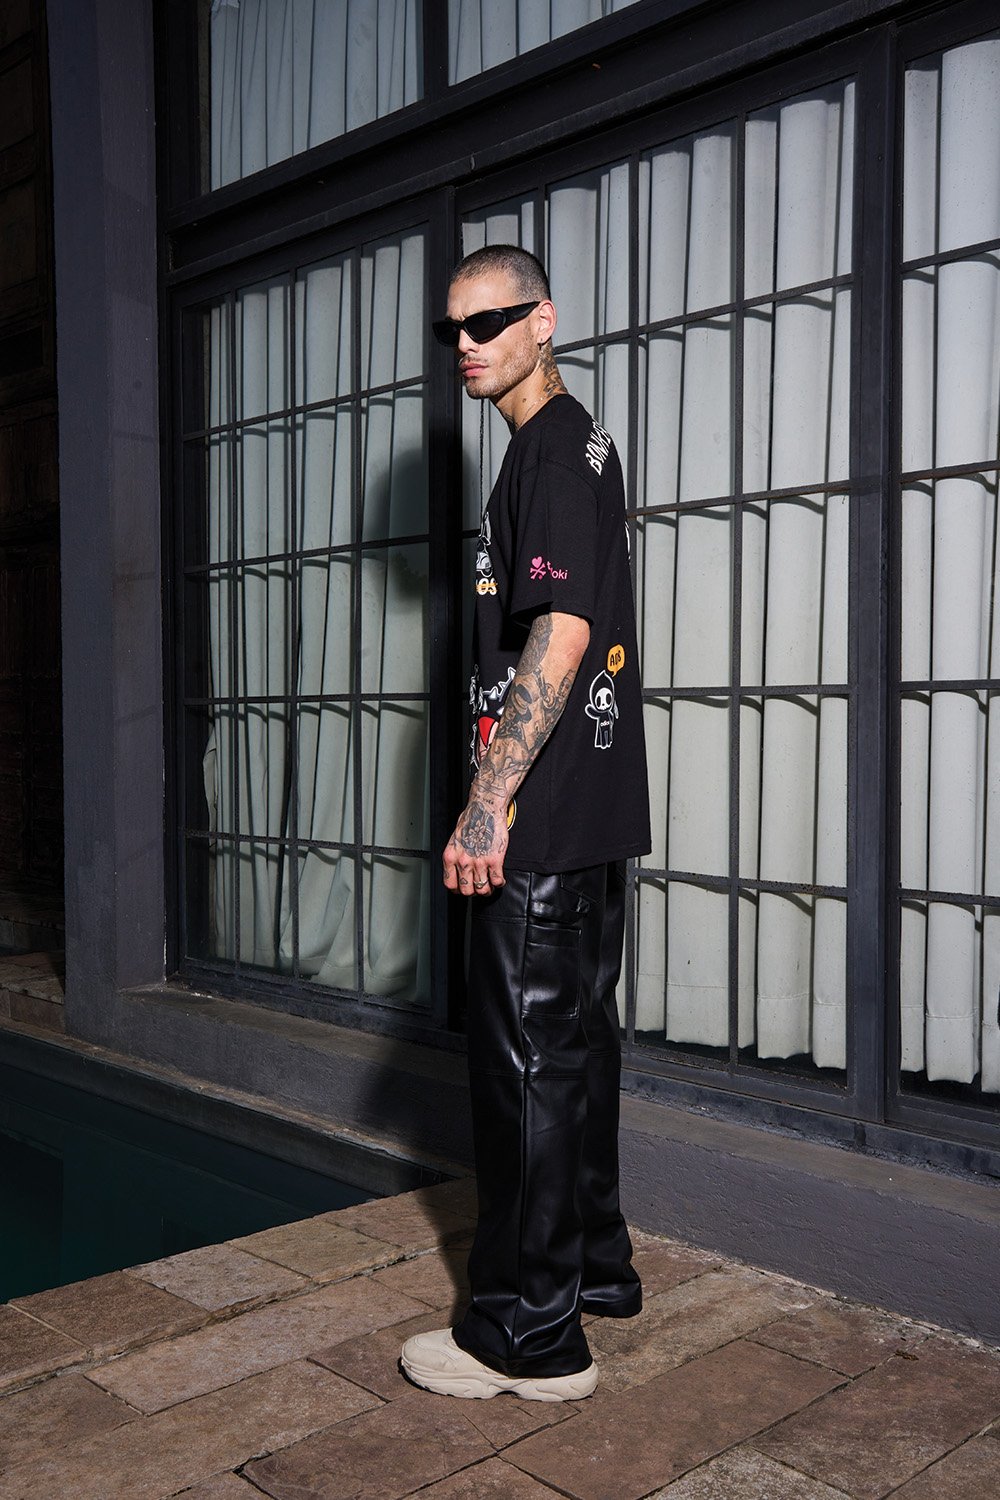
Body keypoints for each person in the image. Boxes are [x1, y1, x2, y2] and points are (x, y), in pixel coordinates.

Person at [401, 245, 651, 1402]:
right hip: (589, 814)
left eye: (490, 320)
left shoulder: (548, 451)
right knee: (575, 1051)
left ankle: (527, 1337)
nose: (467, 343)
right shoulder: (578, 442)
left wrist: (486, 804)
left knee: (527, 1072)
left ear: (542, 320)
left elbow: (559, 634)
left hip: (540, 822)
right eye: (453, 327)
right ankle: (595, 1267)